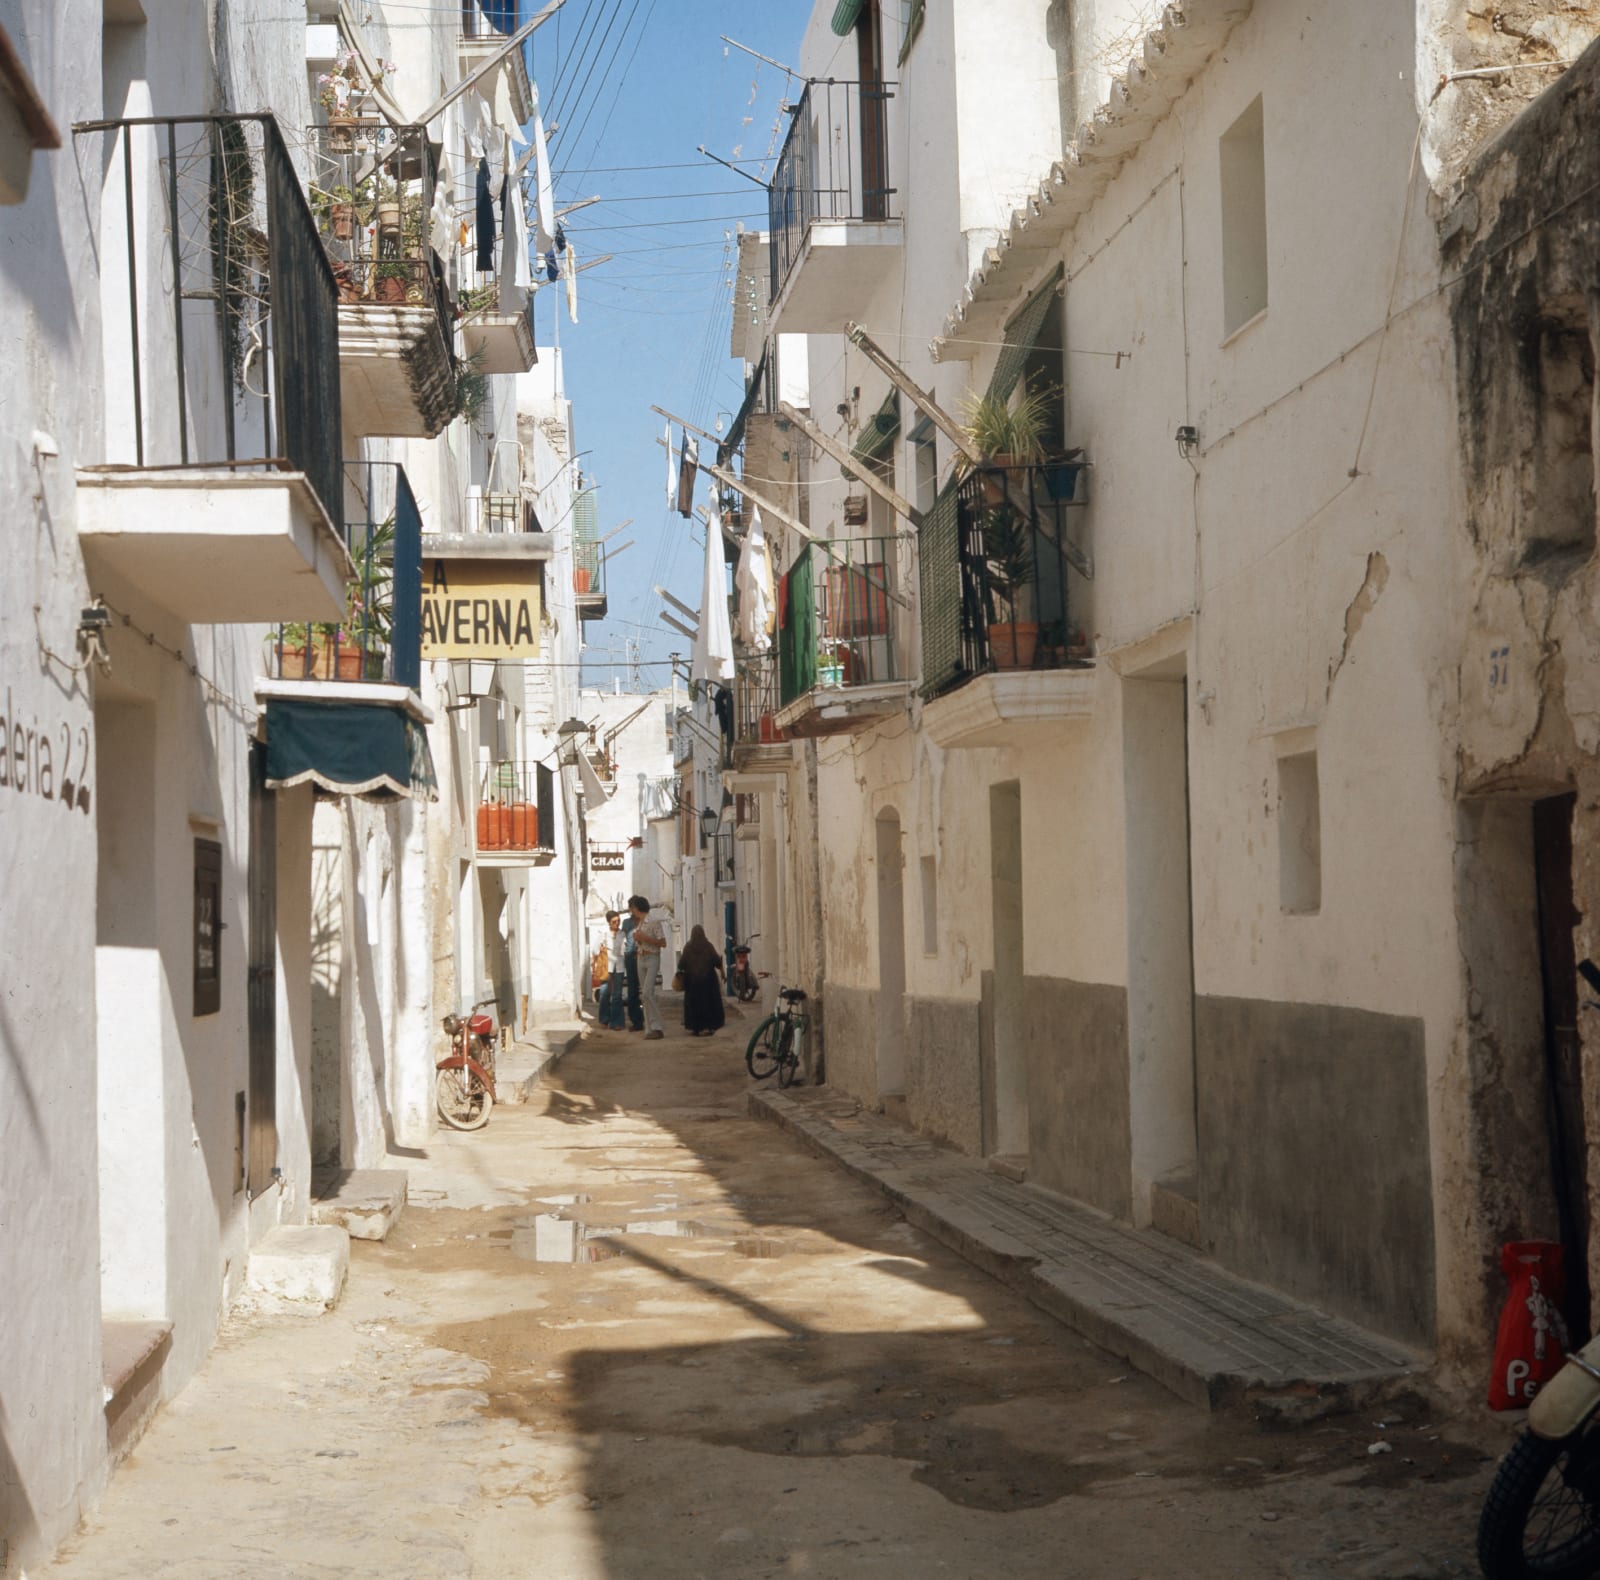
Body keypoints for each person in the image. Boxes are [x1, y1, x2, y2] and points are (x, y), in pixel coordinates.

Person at [629, 894, 666, 1040]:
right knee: (644, 995)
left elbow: (663, 943)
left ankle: (658, 1026)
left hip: (652, 958)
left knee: (647, 992)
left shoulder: (654, 922)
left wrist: (644, 938)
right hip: (641, 957)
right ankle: (650, 1028)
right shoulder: (639, 923)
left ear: (637, 908)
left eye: (632, 908)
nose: (631, 911)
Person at [678, 925, 725, 1036]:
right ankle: (709, 1026)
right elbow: (717, 961)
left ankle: (695, 1028)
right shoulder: (708, 946)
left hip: (692, 983)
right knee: (709, 1004)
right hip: (708, 982)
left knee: (694, 1005)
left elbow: (681, 965)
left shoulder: (688, 948)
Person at [597, 910, 626, 1030]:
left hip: (619, 966)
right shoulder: (603, 934)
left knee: (617, 994)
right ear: (609, 922)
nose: (617, 923)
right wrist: (602, 949)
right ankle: (604, 1019)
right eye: (614, 921)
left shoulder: (622, 934)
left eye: (618, 921)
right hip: (606, 967)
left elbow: (624, 949)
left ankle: (617, 1022)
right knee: (604, 993)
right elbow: (595, 949)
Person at [620, 905, 644, 1032]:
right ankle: (636, 1020)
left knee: (645, 990)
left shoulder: (644, 921)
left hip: (642, 954)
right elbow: (622, 938)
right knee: (632, 989)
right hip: (630, 956)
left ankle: (647, 1019)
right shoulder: (627, 922)